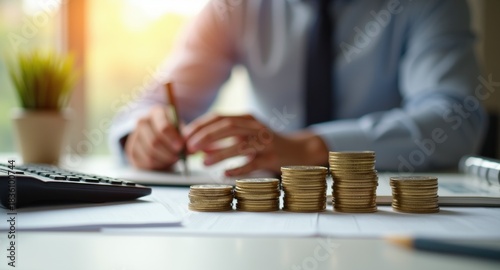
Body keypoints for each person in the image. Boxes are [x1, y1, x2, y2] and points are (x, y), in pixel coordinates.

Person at [109, 0, 487, 177]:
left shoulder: (430, 5)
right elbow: (155, 101)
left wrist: (311, 147)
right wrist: (141, 134)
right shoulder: (233, 7)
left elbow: (455, 119)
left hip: (387, 201)